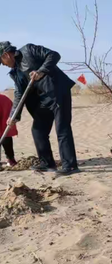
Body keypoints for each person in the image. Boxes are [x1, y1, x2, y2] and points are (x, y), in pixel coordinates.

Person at [0, 41, 79, 176]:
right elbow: (19, 93)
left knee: (62, 128)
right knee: (38, 130)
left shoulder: (28, 50)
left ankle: (70, 165)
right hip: (43, 100)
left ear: (6, 55)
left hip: (57, 92)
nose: (3, 64)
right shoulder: (15, 72)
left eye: (1, 61)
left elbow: (54, 55)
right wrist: (13, 116)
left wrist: (42, 71)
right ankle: (47, 163)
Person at [0, 93, 18, 167]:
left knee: (5, 131)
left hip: (4, 103)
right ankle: (11, 159)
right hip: (5, 102)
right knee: (5, 131)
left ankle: (10, 159)